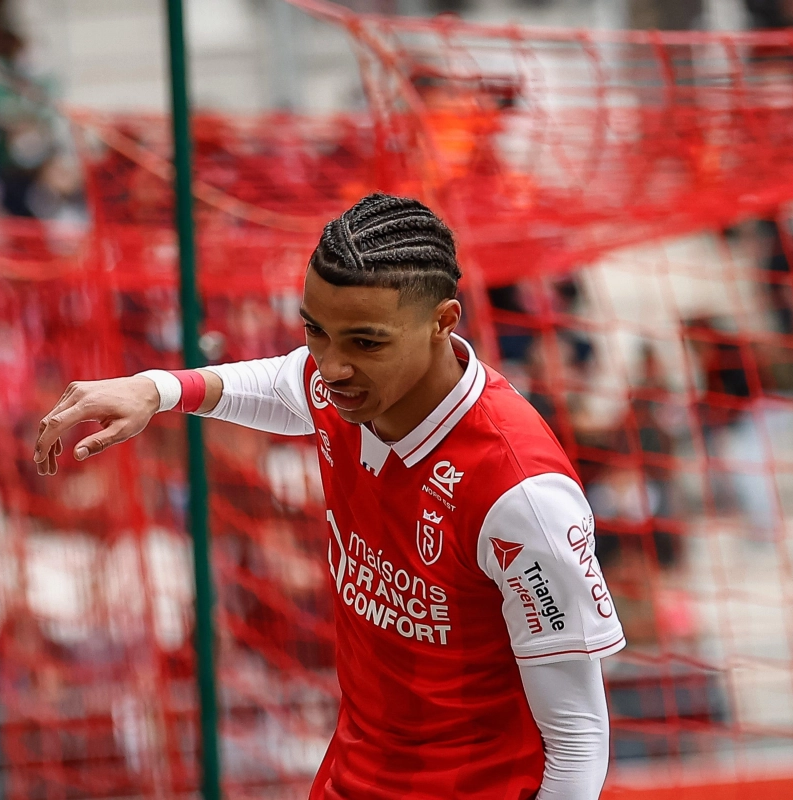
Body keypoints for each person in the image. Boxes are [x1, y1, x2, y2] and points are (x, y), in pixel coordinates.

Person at [32, 193, 625, 799]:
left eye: (365, 343)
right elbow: (284, 382)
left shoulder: (521, 494)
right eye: (317, 331)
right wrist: (155, 389)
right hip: (351, 778)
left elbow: (578, 739)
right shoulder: (343, 389)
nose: (333, 365)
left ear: (444, 322)